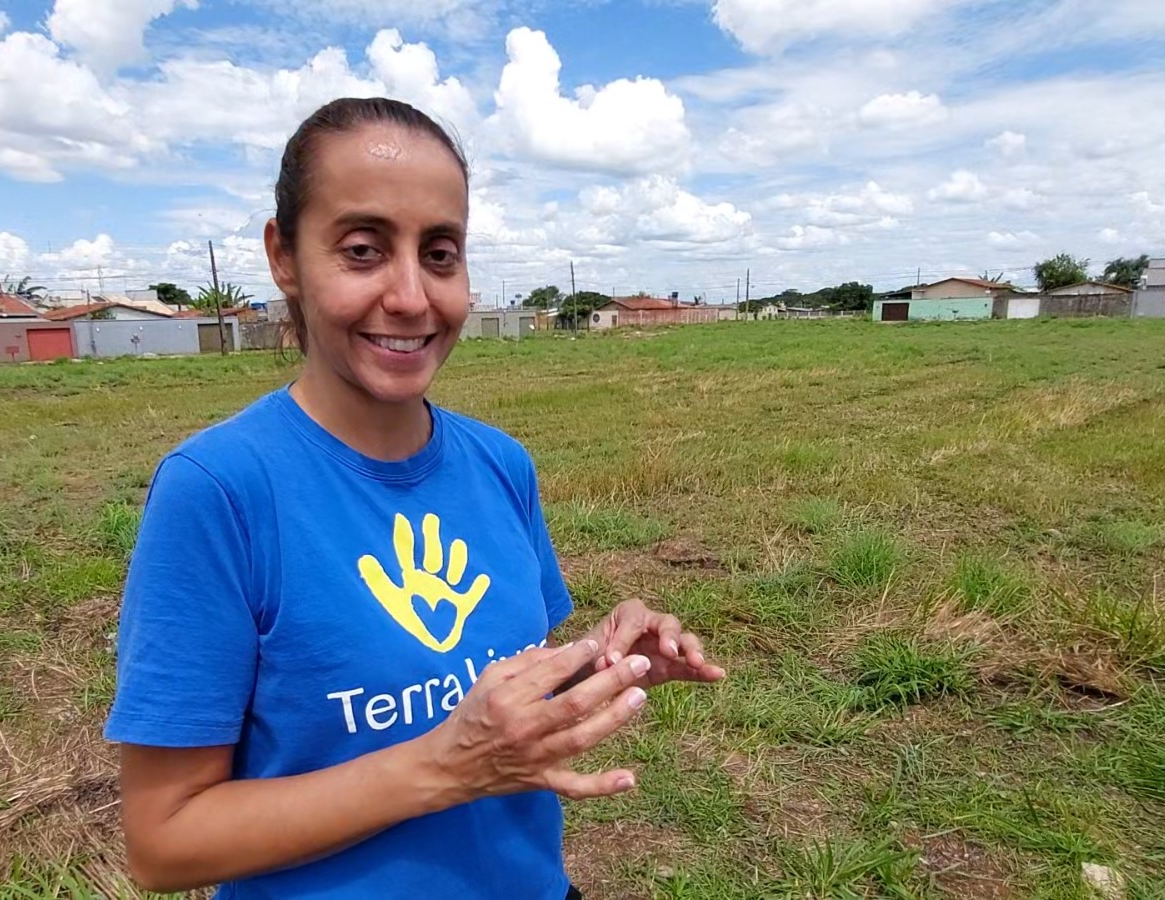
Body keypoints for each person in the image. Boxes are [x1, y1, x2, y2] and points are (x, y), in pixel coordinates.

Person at [104, 96, 726, 899]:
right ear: (284, 257)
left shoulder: (500, 463)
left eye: (439, 254)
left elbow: (486, 705)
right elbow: (164, 843)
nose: (410, 296)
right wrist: (444, 768)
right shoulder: (218, 491)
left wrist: (601, 666)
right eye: (363, 250)